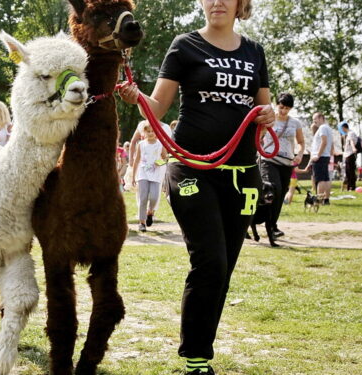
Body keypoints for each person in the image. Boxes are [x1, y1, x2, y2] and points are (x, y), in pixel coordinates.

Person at [117, 0, 275, 372]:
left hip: (242, 174)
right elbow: (156, 109)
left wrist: (267, 114)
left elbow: (263, 108)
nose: (216, 1)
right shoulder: (185, 45)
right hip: (191, 169)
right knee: (210, 261)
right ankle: (196, 358)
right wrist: (136, 96)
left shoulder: (255, 51)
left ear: (240, 4)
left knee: (224, 268)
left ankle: (200, 350)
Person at [259, 92, 304, 237]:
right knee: (274, 190)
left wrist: (299, 154)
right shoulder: (269, 120)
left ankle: (273, 225)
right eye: (282, 107)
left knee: (281, 194)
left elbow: (301, 142)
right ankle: (263, 224)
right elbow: (258, 137)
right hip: (269, 161)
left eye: (287, 108)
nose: (284, 111)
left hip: (287, 163)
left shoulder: (295, 123)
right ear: (277, 104)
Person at [132, 124, 168, 232]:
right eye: (148, 131)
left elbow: (165, 158)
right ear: (144, 133)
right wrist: (134, 176)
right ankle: (141, 222)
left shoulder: (160, 144)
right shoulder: (141, 145)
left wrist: (159, 163)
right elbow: (137, 160)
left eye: (153, 131)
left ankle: (150, 212)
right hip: (143, 174)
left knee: (154, 197)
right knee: (142, 198)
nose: (151, 133)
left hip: (155, 175)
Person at [309, 112, 334, 204]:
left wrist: (317, 155)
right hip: (326, 155)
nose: (314, 121)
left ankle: (319, 200)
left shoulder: (322, 128)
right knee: (326, 178)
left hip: (320, 156)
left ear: (321, 118)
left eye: (315, 119)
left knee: (320, 179)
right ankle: (326, 199)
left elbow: (324, 142)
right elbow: (330, 143)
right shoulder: (328, 128)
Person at [340, 121, 358, 191]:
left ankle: (352, 187)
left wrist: (353, 148)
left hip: (350, 154)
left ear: (344, 128)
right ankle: (349, 186)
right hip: (348, 154)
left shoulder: (351, 133)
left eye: (342, 129)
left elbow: (351, 141)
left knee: (350, 171)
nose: (342, 130)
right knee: (348, 171)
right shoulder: (348, 134)